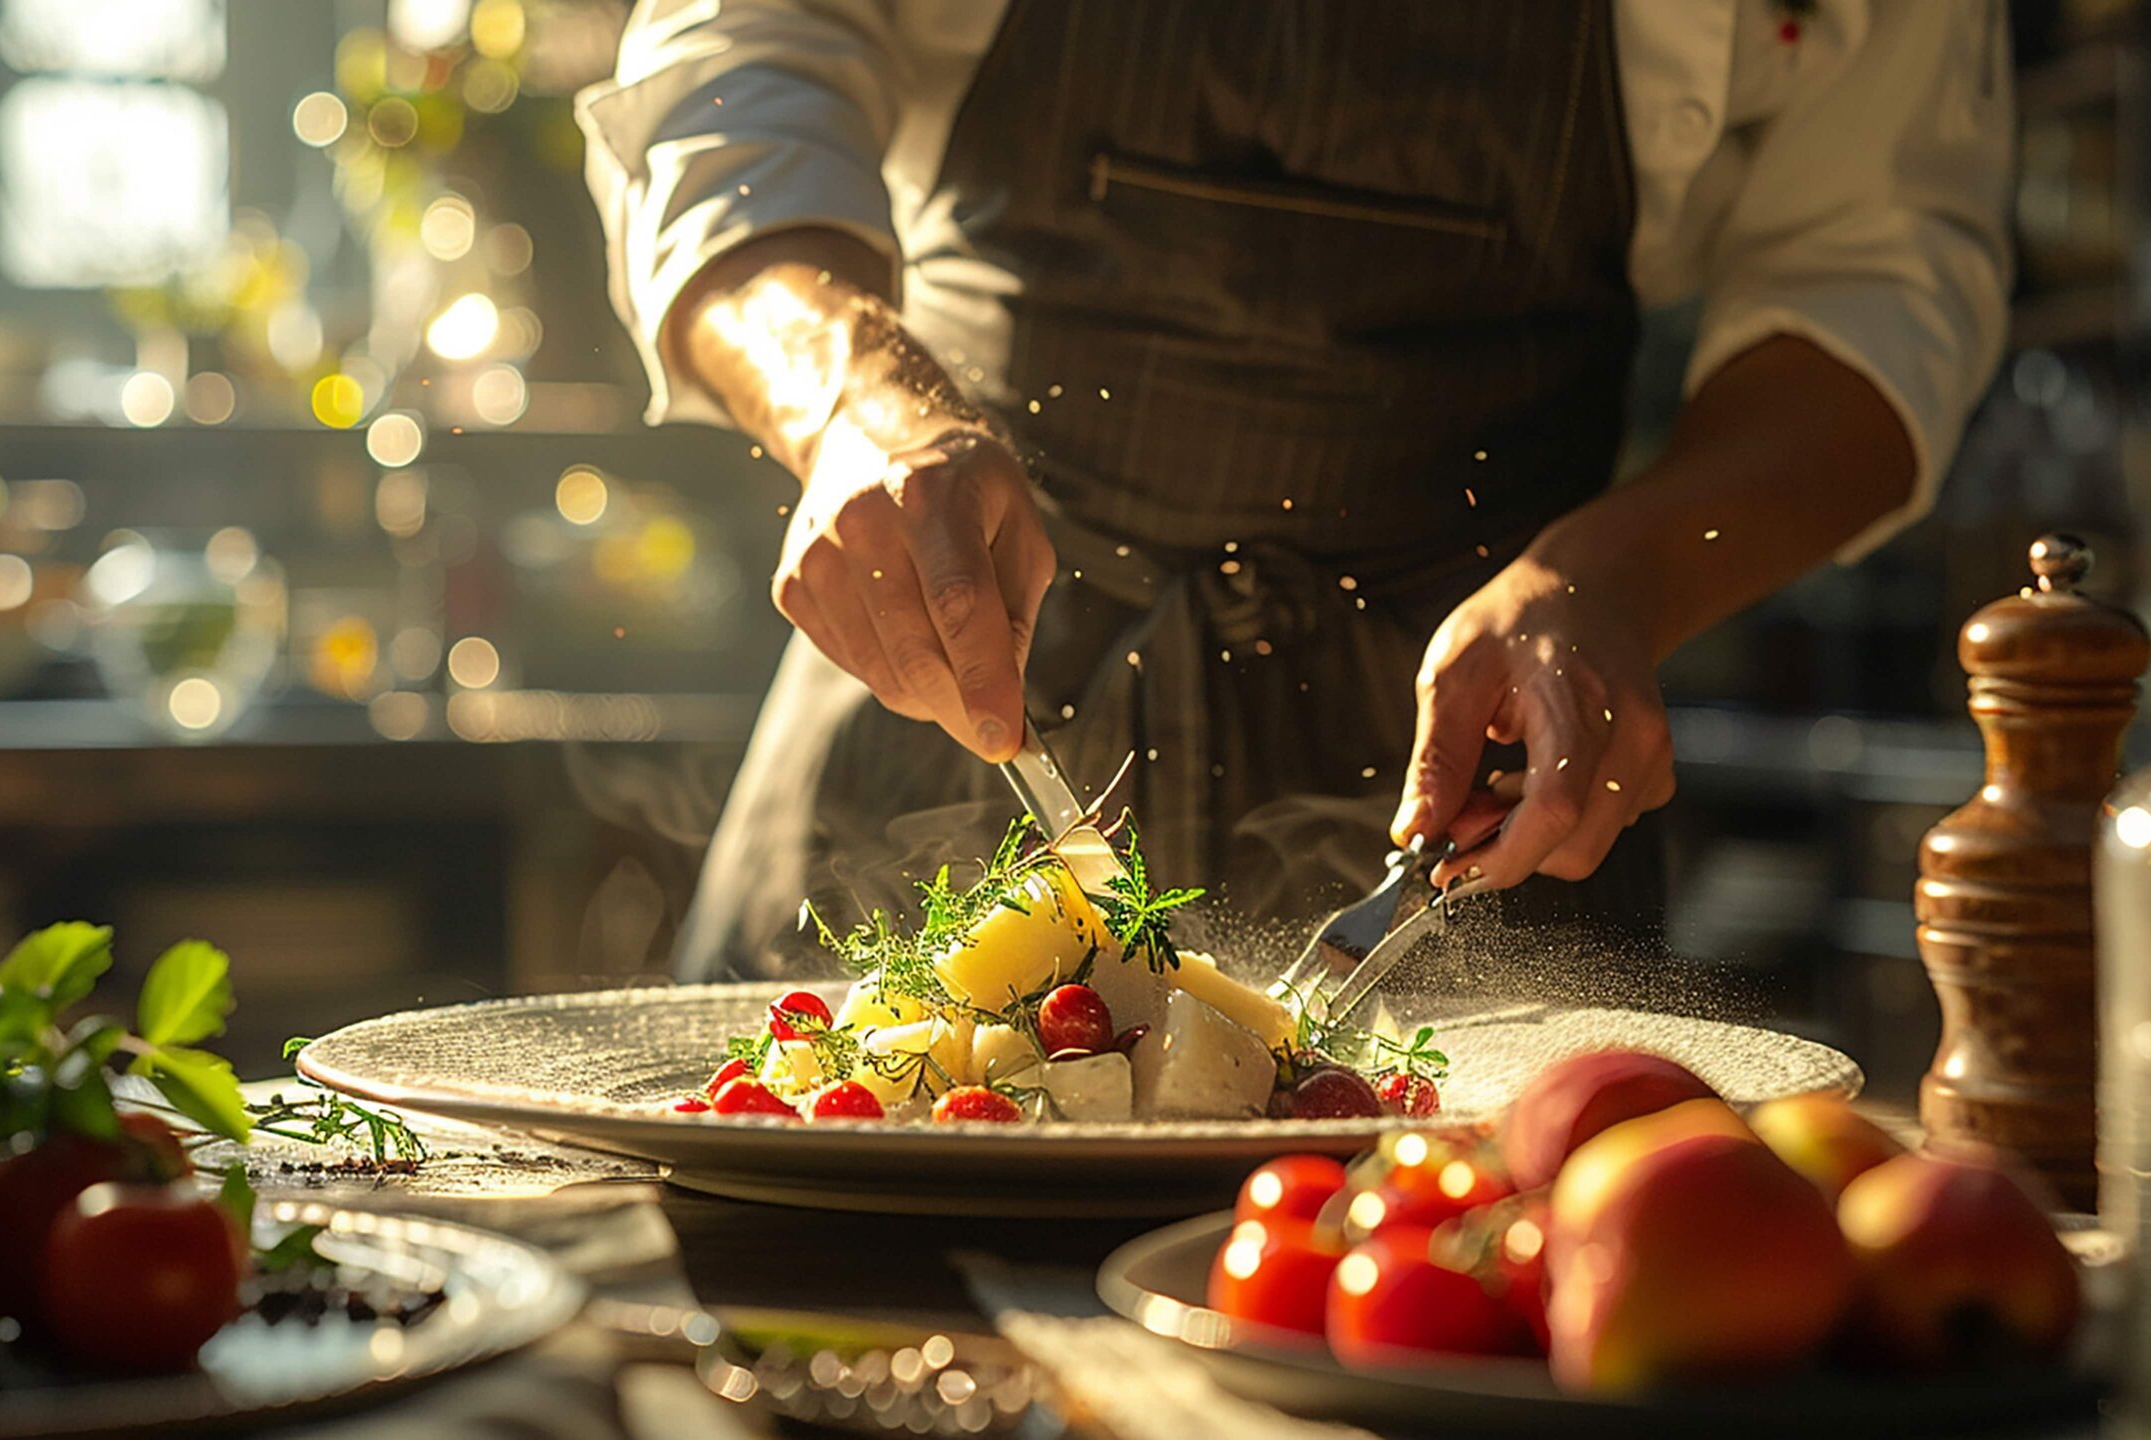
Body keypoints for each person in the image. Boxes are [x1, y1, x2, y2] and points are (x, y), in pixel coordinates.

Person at [579, 0, 2011, 979]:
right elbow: (737, 62)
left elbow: (1881, 275)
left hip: (1490, 776)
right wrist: (852, 401)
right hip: (944, 647)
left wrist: (1624, 578)